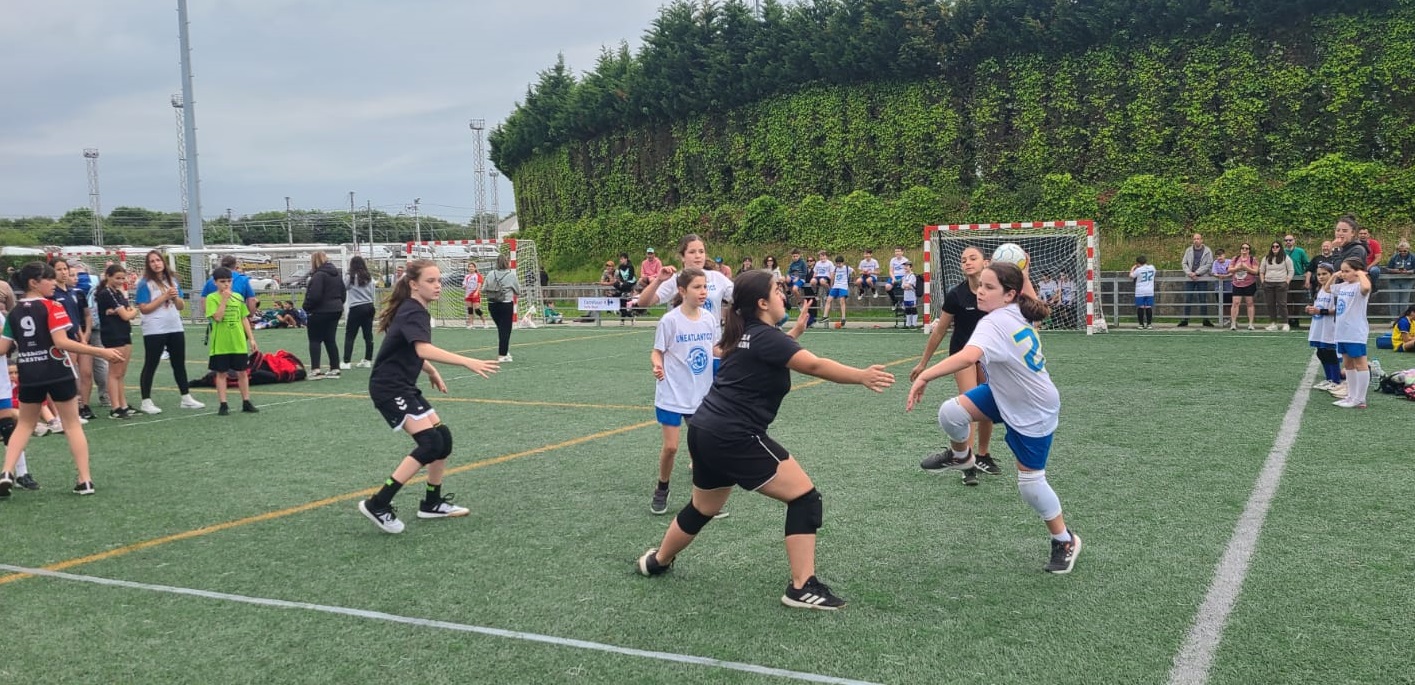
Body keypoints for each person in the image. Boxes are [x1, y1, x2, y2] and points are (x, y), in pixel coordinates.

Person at [635, 270, 894, 610]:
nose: (783, 295)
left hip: (705, 430)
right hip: (734, 435)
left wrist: (796, 331)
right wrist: (861, 376)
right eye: (777, 291)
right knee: (805, 499)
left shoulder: (745, 333)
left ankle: (657, 560)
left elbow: (773, 351)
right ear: (762, 303)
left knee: (703, 508)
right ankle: (802, 587)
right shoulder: (764, 337)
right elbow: (814, 366)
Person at [906, 262, 1080, 574]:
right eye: (980, 286)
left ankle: (1065, 540)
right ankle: (962, 457)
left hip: (1033, 407)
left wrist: (925, 375)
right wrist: (1023, 270)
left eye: (989, 287)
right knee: (951, 413)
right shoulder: (1019, 308)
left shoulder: (995, 321)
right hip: (1002, 393)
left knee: (1031, 485)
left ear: (1009, 294)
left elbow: (968, 356)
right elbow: (1029, 295)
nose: (980, 292)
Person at [357, 259, 499, 534]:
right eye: (430, 281)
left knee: (442, 439)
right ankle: (378, 503)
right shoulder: (413, 311)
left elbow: (409, 349)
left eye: (439, 281)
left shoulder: (414, 309)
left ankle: (432, 503)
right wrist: (467, 361)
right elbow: (422, 349)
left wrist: (431, 371)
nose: (438, 286)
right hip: (390, 388)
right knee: (430, 443)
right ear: (413, 284)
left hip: (403, 385)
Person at [0, 261, 125, 496]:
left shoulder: (14, 312)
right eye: (48, 279)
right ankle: (85, 479)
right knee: (72, 424)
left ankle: (7, 471)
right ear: (33, 283)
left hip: (29, 373)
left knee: (24, 424)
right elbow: (62, 342)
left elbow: (2, 348)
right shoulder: (53, 306)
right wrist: (101, 352)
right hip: (57, 370)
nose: (54, 283)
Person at [911, 246, 1000, 486]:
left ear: (986, 263)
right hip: (962, 354)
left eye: (973, 258)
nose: (967, 262)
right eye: (963, 260)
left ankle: (983, 455)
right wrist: (923, 363)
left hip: (988, 356)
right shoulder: (956, 295)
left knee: (988, 405)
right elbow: (940, 330)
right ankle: (966, 463)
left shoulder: (995, 292)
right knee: (969, 405)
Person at [648, 268, 717, 515]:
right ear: (682, 290)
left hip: (700, 395)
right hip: (672, 393)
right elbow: (657, 351)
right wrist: (657, 365)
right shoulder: (670, 321)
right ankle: (662, 488)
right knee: (671, 447)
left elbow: (715, 350)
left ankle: (705, 500)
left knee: (702, 448)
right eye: (697, 287)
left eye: (705, 286)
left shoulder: (709, 319)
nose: (703, 291)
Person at [135, 250, 204, 414]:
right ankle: (146, 401)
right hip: (154, 328)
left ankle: (186, 397)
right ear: (148, 265)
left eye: (158, 260)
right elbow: (144, 308)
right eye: (152, 261)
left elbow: (180, 306)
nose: (156, 264)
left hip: (174, 326)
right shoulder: (145, 283)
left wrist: (174, 297)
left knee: (179, 363)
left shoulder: (172, 281)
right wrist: (164, 297)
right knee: (151, 363)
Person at [637, 233, 736, 321]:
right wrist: (658, 280)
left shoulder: (717, 278)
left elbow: (738, 298)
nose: (698, 256)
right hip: (681, 335)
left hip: (712, 336)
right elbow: (643, 303)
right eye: (692, 252)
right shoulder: (675, 279)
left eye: (701, 251)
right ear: (682, 257)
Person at [46, 259, 97, 422]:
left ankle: (85, 405)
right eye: (59, 269)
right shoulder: (51, 294)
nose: (63, 272)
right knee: (70, 375)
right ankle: (70, 409)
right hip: (65, 339)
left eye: (65, 269)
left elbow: (81, 316)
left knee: (86, 373)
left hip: (79, 337)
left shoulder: (76, 292)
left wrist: (84, 334)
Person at [205, 267, 259, 416]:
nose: (226, 284)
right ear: (215, 283)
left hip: (238, 342)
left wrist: (251, 339)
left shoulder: (238, 297)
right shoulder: (212, 298)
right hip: (221, 344)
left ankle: (246, 401)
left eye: (229, 281)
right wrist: (224, 300)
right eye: (222, 281)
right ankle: (223, 404)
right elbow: (217, 317)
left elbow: (243, 318)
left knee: (242, 372)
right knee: (221, 373)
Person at [94, 264, 138, 418]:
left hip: (124, 332)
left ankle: (123, 404)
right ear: (108, 276)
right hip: (113, 334)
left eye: (122, 278)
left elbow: (128, 311)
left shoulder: (117, 293)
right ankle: (115, 407)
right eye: (117, 278)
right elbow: (127, 315)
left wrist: (126, 312)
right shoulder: (106, 293)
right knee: (115, 372)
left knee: (121, 372)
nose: (120, 281)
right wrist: (132, 311)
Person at [1331, 257, 1373, 408]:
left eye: (1347, 271)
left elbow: (1366, 288)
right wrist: (1334, 276)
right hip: (1342, 331)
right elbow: (1327, 289)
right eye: (1342, 271)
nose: (1343, 274)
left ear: (1356, 271)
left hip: (1355, 331)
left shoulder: (1360, 285)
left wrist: (1361, 274)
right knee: (1348, 364)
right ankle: (1351, 396)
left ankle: (1360, 398)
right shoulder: (1344, 286)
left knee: (1360, 363)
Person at [303, 251, 346, 380]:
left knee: (315, 340)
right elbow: (343, 293)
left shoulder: (318, 276)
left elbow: (315, 296)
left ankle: (316, 370)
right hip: (336, 309)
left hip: (320, 311)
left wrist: (306, 306)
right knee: (330, 339)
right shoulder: (337, 275)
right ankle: (335, 368)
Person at [1305, 263, 1342, 390]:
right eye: (1319, 274)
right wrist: (1311, 309)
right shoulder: (1318, 289)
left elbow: (1338, 310)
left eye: (1324, 274)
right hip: (1319, 325)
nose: (1321, 277)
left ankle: (1336, 380)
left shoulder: (1335, 290)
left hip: (1330, 326)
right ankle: (1329, 378)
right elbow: (1318, 306)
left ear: (1332, 274)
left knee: (1330, 352)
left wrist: (1321, 311)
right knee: (1321, 352)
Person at [343, 256, 377, 369]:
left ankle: (346, 362)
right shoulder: (369, 277)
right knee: (368, 335)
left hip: (356, 307)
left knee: (350, 335)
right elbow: (373, 293)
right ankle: (368, 360)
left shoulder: (351, 276)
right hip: (369, 306)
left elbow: (344, 287)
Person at [484, 254, 520, 362]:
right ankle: (502, 354)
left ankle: (505, 350)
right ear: (506, 263)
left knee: (501, 328)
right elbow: (518, 291)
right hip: (505, 304)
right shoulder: (511, 275)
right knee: (505, 330)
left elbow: (484, 288)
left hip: (492, 304)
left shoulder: (490, 274)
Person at [1179, 233, 1215, 327]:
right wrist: (1190, 273)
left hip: (1202, 278)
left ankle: (1205, 320)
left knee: (1203, 299)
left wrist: (1197, 273)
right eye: (1194, 239)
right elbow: (1184, 263)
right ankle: (1185, 320)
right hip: (1190, 278)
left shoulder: (1207, 251)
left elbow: (1209, 264)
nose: (1196, 240)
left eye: (1198, 239)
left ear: (1202, 240)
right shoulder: (1188, 250)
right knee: (1188, 299)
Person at [1259, 240, 1294, 332]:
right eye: (1273, 246)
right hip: (1268, 283)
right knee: (1270, 304)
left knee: (1282, 304)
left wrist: (1286, 282)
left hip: (1281, 283)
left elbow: (1291, 271)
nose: (1275, 248)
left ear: (1280, 248)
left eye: (1277, 246)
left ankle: (1285, 323)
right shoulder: (1266, 258)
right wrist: (1263, 282)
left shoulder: (1286, 258)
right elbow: (1261, 271)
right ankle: (1273, 323)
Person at [1228, 243, 1258, 331]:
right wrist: (1237, 268)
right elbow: (1229, 269)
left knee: (1250, 303)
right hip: (1237, 284)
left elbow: (1256, 271)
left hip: (1249, 283)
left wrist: (1246, 268)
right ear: (1240, 249)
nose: (1244, 250)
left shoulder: (1253, 259)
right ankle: (1233, 323)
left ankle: (1251, 323)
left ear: (1249, 250)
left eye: (1246, 248)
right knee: (1235, 303)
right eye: (1243, 248)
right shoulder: (1235, 258)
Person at [1283, 234, 1310, 330]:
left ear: (1294, 241)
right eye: (1286, 240)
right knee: (1287, 300)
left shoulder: (1300, 251)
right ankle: (1290, 319)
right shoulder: (1282, 252)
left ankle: (1296, 318)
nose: (1288, 242)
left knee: (1298, 300)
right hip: (1286, 279)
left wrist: (1305, 275)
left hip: (1298, 279)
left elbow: (1307, 264)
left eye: (1290, 240)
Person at [820, 255, 852, 328]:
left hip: (843, 286)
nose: (838, 265)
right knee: (828, 300)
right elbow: (833, 277)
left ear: (843, 262)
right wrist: (831, 285)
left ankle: (843, 318)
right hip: (835, 286)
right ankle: (825, 316)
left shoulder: (847, 268)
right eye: (837, 263)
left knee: (842, 301)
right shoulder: (835, 268)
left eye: (840, 263)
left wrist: (851, 279)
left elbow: (854, 272)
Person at [1131, 255, 1156, 329]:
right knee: (1148, 307)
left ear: (1138, 263)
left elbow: (1131, 276)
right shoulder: (1152, 267)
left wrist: (1132, 268)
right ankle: (1149, 324)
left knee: (1140, 307)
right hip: (1150, 290)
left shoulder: (1138, 270)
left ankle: (1141, 324)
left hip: (1140, 291)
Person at [1212, 248, 1233, 327]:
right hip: (1218, 286)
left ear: (1224, 255)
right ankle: (1223, 319)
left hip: (1229, 287)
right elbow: (1214, 273)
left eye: (1220, 256)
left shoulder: (1230, 262)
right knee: (1221, 303)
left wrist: (1225, 276)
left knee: (1229, 304)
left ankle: (1231, 319)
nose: (1219, 258)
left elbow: (1232, 272)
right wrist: (1219, 276)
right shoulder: (1215, 262)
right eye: (1217, 256)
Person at [462, 262, 486, 330]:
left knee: (477, 309)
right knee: (470, 309)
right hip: (468, 295)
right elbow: (464, 285)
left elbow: (479, 284)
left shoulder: (478, 275)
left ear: (475, 268)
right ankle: (471, 324)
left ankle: (484, 322)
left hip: (475, 294)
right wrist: (464, 286)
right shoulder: (467, 276)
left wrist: (477, 292)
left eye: (472, 266)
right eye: (469, 267)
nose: (471, 268)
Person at [900, 260, 919, 328]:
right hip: (906, 296)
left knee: (913, 309)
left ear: (911, 267)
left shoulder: (912, 276)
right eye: (904, 266)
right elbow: (902, 286)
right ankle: (908, 324)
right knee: (907, 310)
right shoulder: (904, 276)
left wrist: (906, 286)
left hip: (912, 296)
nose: (905, 267)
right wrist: (906, 286)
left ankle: (914, 324)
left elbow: (908, 285)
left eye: (907, 266)